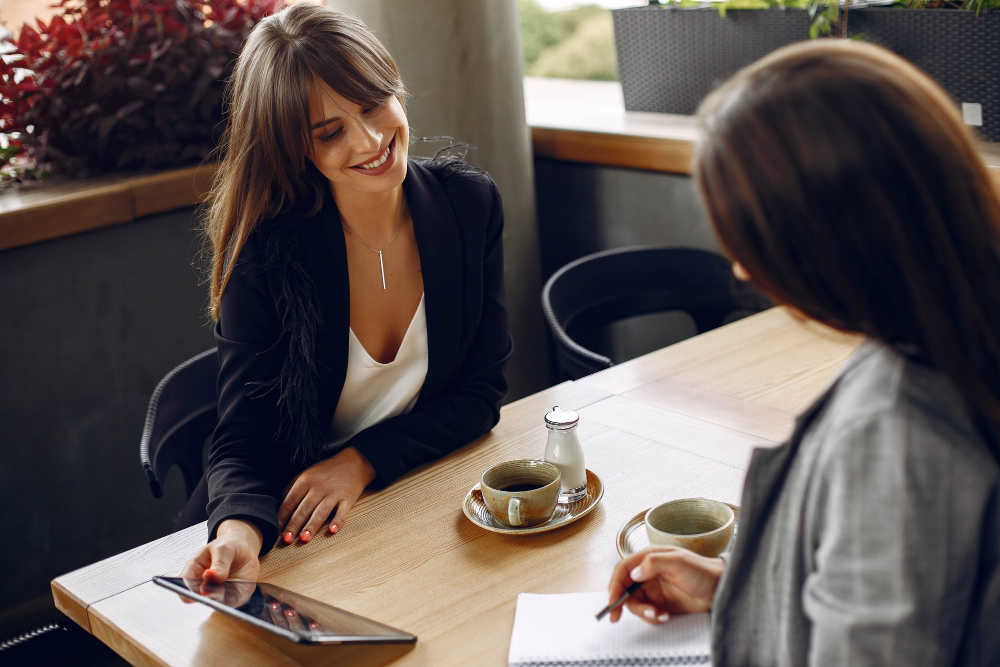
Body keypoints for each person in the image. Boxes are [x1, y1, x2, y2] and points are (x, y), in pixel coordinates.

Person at [607, 40, 1000, 665]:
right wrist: (736, 589)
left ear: (836, 241)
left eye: (752, 240)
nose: (741, 267)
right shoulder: (956, 331)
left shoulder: (895, 433)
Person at [179, 3, 512, 584]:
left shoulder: (469, 206)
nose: (371, 140)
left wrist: (361, 461)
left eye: (374, 104)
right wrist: (236, 533)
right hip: (292, 529)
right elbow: (242, 438)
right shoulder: (268, 252)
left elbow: (482, 392)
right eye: (330, 132)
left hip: (410, 500)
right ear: (293, 148)